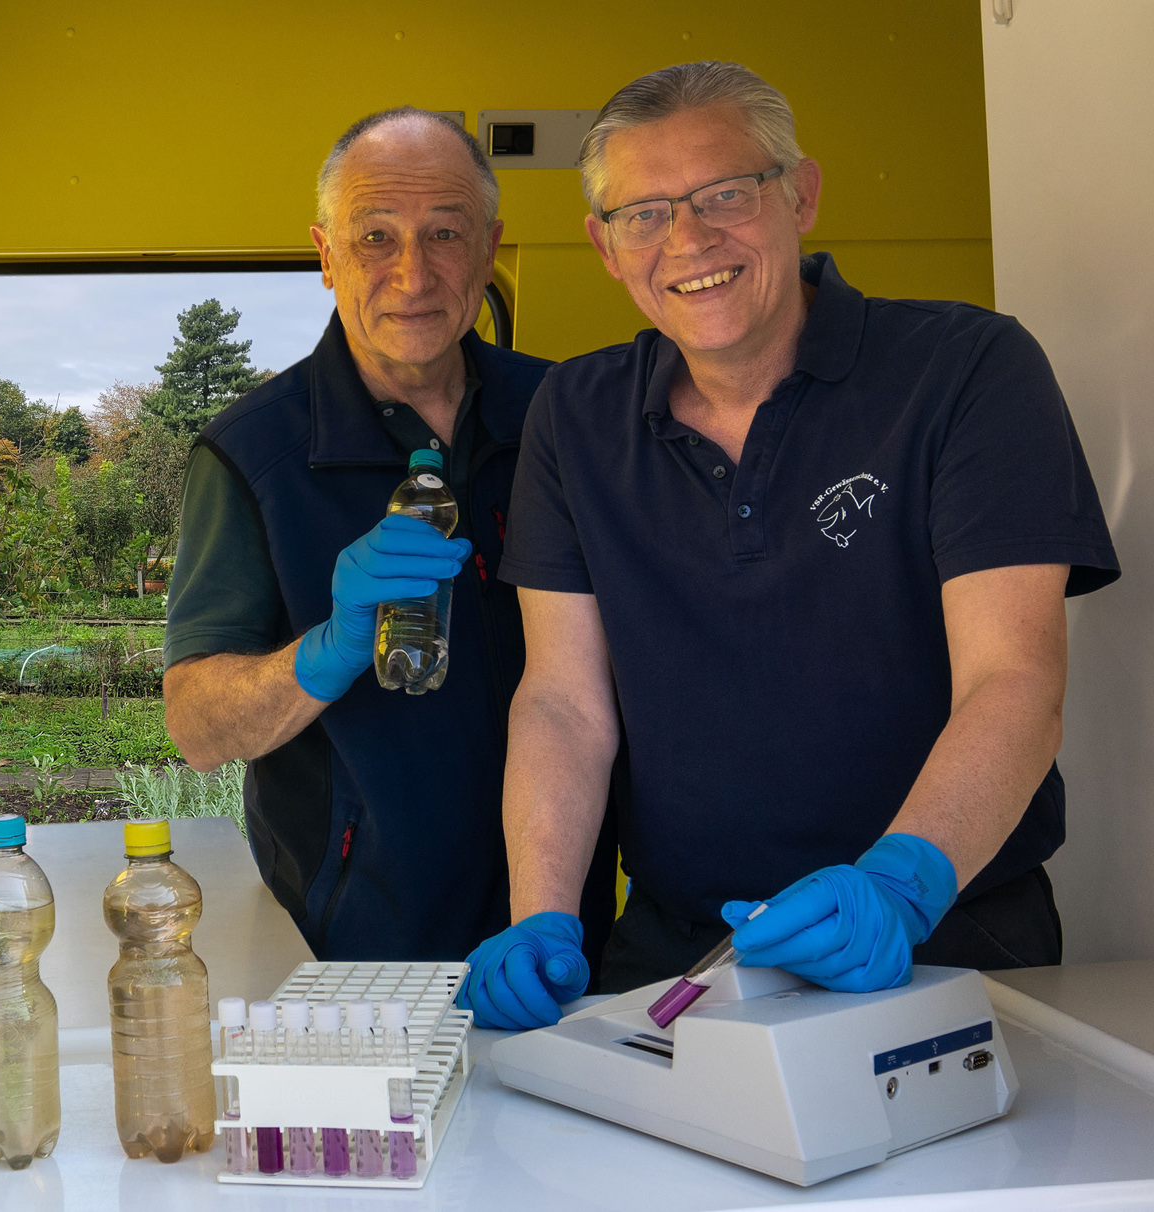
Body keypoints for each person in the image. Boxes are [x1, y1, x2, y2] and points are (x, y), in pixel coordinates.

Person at [460, 61, 1120, 1030]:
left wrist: (902, 883)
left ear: (800, 193)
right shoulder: (577, 413)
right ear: (605, 246)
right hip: (677, 946)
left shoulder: (967, 368)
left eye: (726, 193)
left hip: (946, 931)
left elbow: (1014, 678)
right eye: (644, 212)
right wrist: (542, 915)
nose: (688, 238)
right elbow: (562, 698)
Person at [163, 108, 615, 962]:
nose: (414, 273)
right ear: (326, 255)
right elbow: (197, 727)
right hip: (349, 944)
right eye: (375, 236)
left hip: (564, 924)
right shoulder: (255, 453)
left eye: (445, 233)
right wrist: (327, 649)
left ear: (489, 248)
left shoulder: (569, 419)